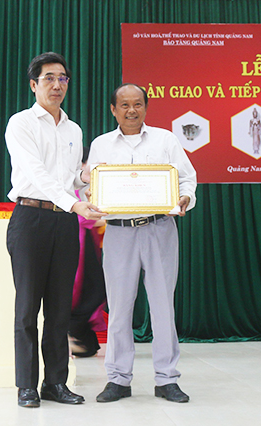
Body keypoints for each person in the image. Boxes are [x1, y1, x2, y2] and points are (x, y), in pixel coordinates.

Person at [4, 52, 105, 408]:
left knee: (60, 309)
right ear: (33, 85)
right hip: (30, 219)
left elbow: (68, 177)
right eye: (48, 78)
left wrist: (88, 178)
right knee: (27, 308)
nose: (57, 85)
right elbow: (36, 175)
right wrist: (75, 201)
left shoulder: (74, 129)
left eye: (62, 78)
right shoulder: (21, 124)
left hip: (64, 223)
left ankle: (55, 384)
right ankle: (26, 386)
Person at [89, 83, 197, 404]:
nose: (131, 110)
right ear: (113, 110)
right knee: (119, 307)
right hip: (119, 231)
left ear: (146, 107)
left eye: (138, 104)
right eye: (124, 105)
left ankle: (167, 379)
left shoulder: (166, 140)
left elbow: (187, 178)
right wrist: (92, 196)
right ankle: (118, 380)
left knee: (163, 305)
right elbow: (91, 187)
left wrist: (185, 197)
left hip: (159, 227)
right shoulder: (101, 145)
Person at [69, 147, 107, 358]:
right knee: (88, 291)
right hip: (79, 245)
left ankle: (82, 340)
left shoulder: (90, 187)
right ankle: (71, 330)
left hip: (88, 244)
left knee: (93, 290)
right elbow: (85, 218)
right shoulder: (75, 186)